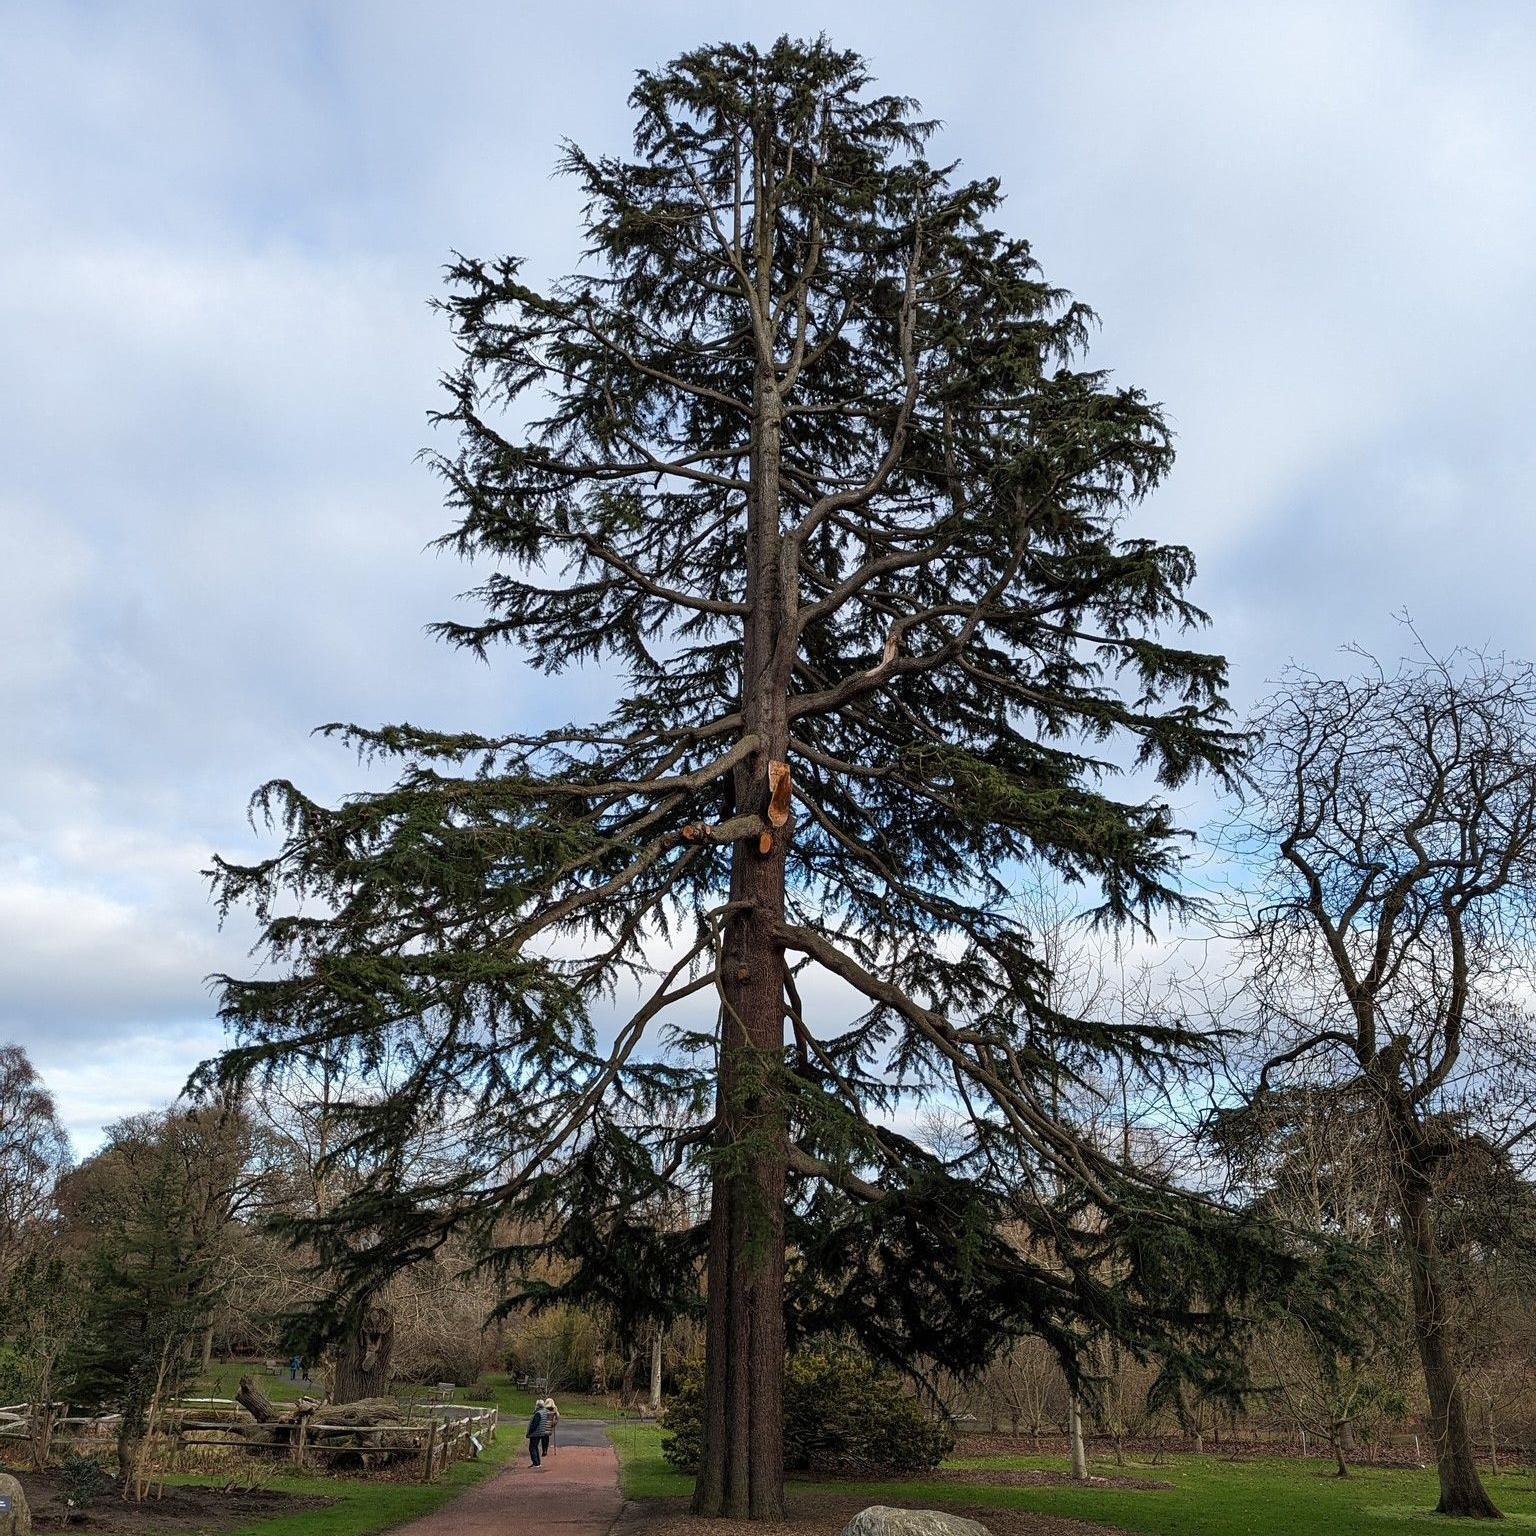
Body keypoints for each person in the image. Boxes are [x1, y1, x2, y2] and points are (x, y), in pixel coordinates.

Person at [526, 1400, 548, 1469]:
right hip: (541, 1432)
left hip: (536, 1433)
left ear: (537, 1405)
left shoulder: (538, 1413)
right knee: (535, 1447)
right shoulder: (544, 1411)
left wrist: (529, 1432)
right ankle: (537, 1463)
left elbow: (535, 1424)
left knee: (532, 1448)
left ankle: (536, 1463)